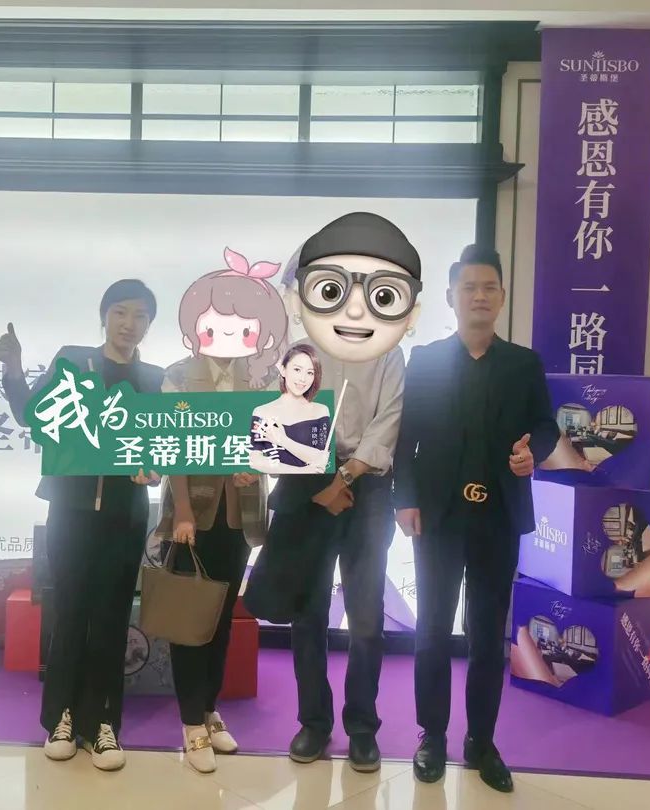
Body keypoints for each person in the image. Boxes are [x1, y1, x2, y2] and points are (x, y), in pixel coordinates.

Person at [252, 212, 422, 774]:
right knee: (308, 614)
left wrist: (345, 477)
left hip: (366, 490)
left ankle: (362, 728)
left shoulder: (388, 350)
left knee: (366, 617)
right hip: (305, 486)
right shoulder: (293, 352)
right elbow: (272, 415)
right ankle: (313, 724)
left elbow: (389, 422)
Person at [393, 245, 559, 793]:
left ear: (502, 297)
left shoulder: (523, 364)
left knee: (488, 636)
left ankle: (481, 742)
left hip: (498, 517)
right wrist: (404, 498)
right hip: (438, 516)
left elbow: (546, 425)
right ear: (452, 297)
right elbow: (405, 436)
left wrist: (533, 451)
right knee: (433, 630)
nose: (480, 296)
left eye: (489, 288)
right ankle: (432, 736)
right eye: (469, 288)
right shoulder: (426, 360)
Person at [0, 279, 164, 772]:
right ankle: (61, 718)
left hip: (125, 516)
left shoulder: (155, 379)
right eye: (121, 312)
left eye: (140, 316)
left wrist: (155, 469)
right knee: (70, 614)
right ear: (104, 316)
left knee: (111, 620)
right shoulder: (73, 361)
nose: (129, 324)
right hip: (70, 512)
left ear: (149, 325)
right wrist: (12, 369)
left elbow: (161, 447)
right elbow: (30, 415)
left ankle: (104, 721)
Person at [155, 248, 286, 774]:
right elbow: (172, 446)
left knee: (223, 616)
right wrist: (183, 510)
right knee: (191, 617)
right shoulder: (177, 375)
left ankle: (209, 709)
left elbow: (270, 442)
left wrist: (260, 467)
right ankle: (190, 722)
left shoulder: (262, 379)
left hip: (240, 515)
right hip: (193, 516)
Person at [249, 343, 331, 474]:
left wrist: (282, 440)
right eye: (297, 370)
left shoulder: (321, 411)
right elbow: (256, 460)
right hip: (281, 485)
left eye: (310, 373)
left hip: (318, 486)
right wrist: (302, 471)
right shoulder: (262, 412)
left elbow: (322, 458)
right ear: (283, 370)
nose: (303, 379)